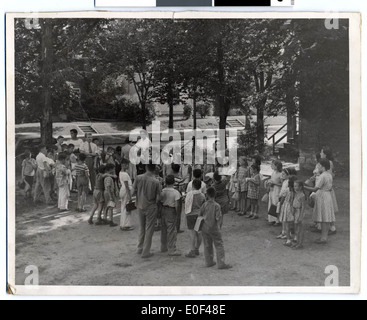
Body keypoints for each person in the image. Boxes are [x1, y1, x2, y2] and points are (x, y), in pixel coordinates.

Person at [133, 162, 162, 259]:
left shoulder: (138, 177)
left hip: (140, 205)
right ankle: (146, 251)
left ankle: (139, 248)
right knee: (149, 229)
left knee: (142, 227)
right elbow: (159, 198)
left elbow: (133, 192)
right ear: (154, 169)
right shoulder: (156, 181)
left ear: (146, 167)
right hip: (151, 206)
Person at [304, 159, 336, 244]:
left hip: (322, 196)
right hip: (327, 195)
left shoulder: (323, 176)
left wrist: (303, 187)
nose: (318, 167)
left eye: (319, 166)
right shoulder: (329, 175)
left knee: (324, 217)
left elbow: (315, 189)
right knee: (325, 217)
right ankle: (324, 237)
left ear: (323, 167)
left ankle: (323, 238)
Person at [199, 187, 232, 270]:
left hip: (205, 227)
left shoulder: (204, 204)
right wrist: (219, 227)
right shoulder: (216, 205)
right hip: (214, 227)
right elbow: (218, 218)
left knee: (207, 245)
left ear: (207, 195)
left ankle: (209, 261)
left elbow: (200, 214)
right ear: (215, 195)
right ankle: (221, 263)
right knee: (219, 244)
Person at [159, 175, 182, 256]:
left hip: (163, 209)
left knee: (164, 229)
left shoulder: (162, 191)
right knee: (171, 230)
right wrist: (177, 214)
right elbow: (177, 205)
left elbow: (160, 201)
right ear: (173, 182)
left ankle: (163, 246)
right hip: (171, 210)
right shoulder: (176, 192)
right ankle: (171, 249)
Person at [185, 179, 206, 258]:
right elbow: (204, 206)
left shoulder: (189, 194)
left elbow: (187, 205)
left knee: (192, 233)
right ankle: (197, 248)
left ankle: (192, 250)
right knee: (199, 233)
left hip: (190, 214)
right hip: (199, 215)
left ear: (192, 186)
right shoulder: (202, 195)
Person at [320, 146, 339, 235]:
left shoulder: (328, 163)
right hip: (322, 184)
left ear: (325, 154)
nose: (320, 154)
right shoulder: (323, 162)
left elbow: (330, 174)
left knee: (328, 208)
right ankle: (321, 226)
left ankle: (332, 227)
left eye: (321, 152)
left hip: (326, 187)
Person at [279, 176, 297, 247]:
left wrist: (280, 205)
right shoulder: (296, 191)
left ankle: (288, 239)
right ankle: (295, 236)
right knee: (294, 223)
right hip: (294, 207)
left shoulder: (287, 190)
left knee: (287, 223)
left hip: (286, 207)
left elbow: (282, 200)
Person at [266, 160, 283, 226]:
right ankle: (271, 218)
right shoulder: (273, 172)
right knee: (271, 203)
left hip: (277, 190)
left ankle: (277, 220)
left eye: (273, 165)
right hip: (272, 189)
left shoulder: (280, 174)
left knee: (276, 204)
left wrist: (274, 183)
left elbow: (282, 184)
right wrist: (269, 181)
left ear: (277, 166)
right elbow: (272, 179)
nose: (271, 166)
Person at [119, 159, 134, 231]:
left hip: (123, 189)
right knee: (126, 208)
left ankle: (123, 223)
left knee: (123, 207)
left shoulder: (121, 173)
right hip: (125, 190)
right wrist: (129, 196)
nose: (128, 166)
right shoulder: (124, 174)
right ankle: (125, 225)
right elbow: (126, 186)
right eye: (126, 164)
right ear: (123, 165)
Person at [292, 180, 307, 250]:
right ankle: (297, 242)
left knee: (299, 229)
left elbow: (303, 206)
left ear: (300, 187)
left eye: (296, 186)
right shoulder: (296, 193)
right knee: (296, 229)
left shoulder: (302, 195)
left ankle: (300, 243)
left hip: (299, 212)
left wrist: (300, 216)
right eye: (294, 186)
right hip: (295, 212)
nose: (294, 187)